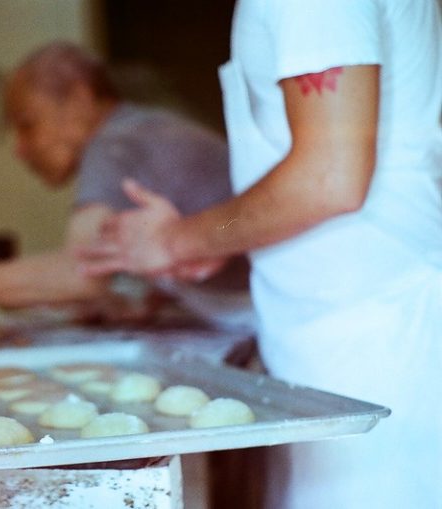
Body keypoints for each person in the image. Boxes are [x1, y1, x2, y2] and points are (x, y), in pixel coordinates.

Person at [79, 0, 442, 507]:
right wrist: (218, 236)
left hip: (377, 346)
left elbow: (327, 179)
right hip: (339, 340)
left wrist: (177, 239)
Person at [0, 41, 254, 329]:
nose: (19, 149)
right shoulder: (143, 127)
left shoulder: (114, 142)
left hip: (263, 321)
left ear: (80, 101)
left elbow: (78, 272)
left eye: (28, 125)